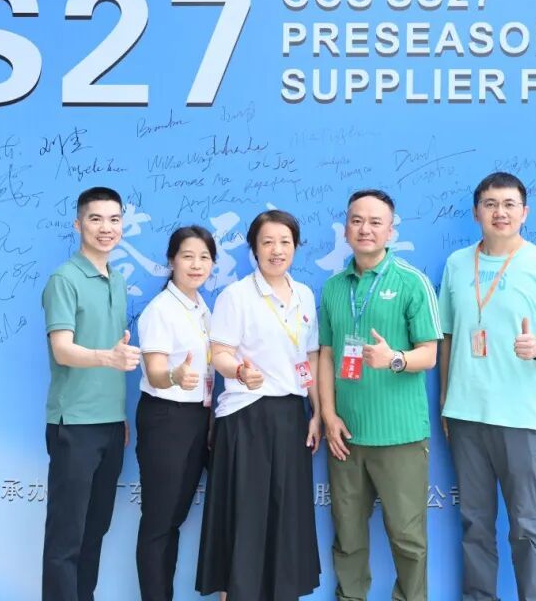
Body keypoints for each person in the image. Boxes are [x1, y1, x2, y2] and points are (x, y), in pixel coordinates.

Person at [438, 172, 536, 601]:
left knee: (525, 524)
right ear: (476, 212)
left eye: (509, 204)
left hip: (520, 417)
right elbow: (447, 338)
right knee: (474, 523)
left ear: (524, 212)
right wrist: (445, 400)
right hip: (464, 415)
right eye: (491, 204)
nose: (500, 212)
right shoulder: (457, 264)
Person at [318, 189, 442, 601]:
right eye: (357, 220)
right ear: (345, 229)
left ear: (391, 231)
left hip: (399, 435)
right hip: (346, 436)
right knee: (348, 535)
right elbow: (327, 355)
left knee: (408, 538)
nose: (365, 229)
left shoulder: (411, 281)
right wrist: (329, 415)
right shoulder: (333, 288)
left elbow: (429, 354)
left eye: (375, 222)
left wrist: (394, 359)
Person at [196, 209, 322, 601]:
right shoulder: (236, 296)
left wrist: (317, 412)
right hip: (246, 416)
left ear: (295, 247)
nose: (276, 250)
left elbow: (310, 358)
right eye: (267, 242)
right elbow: (219, 353)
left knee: (287, 517)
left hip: (291, 415)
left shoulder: (304, 295)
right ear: (254, 248)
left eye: (285, 242)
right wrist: (238, 371)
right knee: (245, 517)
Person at [40, 186, 141, 601]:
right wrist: (107, 358)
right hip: (74, 426)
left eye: (114, 219)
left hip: (109, 426)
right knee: (66, 537)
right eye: (96, 219)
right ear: (78, 223)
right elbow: (62, 350)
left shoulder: (116, 280)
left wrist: (120, 416)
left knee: (94, 531)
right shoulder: (64, 279)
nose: (106, 228)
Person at [135, 225, 218, 600]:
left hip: (198, 418)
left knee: (176, 518)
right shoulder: (161, 310)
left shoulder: (202, 308)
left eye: (204, 257)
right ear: (172, 261)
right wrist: (174, 376)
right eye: (188, 256)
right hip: (166, 419)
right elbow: (154, 371)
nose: (196, 264)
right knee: (160, 522)